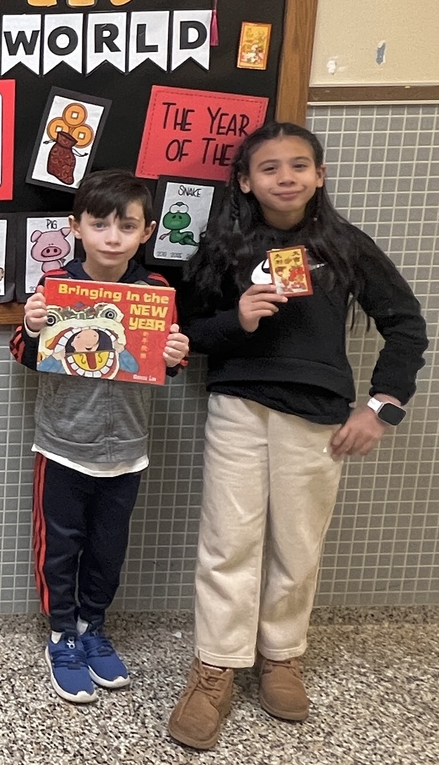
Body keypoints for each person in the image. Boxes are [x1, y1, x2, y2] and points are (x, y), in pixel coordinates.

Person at [167, 122, 427, 751]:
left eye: (299, 166)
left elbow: (407, 327)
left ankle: (281, 655)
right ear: (245, 181)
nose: (286, 177)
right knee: (227, 544)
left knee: (298, 544)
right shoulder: (222, 249)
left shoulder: (345, 246)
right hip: (238, 406)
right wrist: (239, 317)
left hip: (318, 415)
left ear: (320, 175)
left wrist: (381, 408)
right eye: (270, 168)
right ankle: (216, 667)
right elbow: (184, 331)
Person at [10, 169, 190, 704]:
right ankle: (62, 634)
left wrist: (175, 355)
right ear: (75, 226)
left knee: (109, 548)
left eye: (126, 226)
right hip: (64, 445)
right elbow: (24, 355)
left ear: (147, 231)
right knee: (59, 546)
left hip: (127, 449)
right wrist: (34, 326)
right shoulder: (54, 287)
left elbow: (163, 364)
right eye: (99, 223)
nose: (112, 236)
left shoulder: (155, 292)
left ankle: (93, 625)